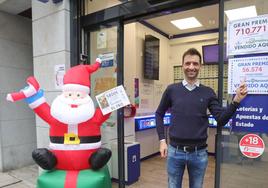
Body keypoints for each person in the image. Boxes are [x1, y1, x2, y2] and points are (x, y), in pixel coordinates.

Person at [155, 48, 248, 188]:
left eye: (195, 63)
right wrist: (162, 140)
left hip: (199, 154)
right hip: (175, 152)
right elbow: (159, 114)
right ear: (182, 65)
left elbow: (221, 119)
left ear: (200, 66)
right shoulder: (171, 90)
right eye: (187, 63)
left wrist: (236, 100)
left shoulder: (208, 92)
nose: (191, 67)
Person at [6, 58, 112, 171]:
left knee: (100, 155)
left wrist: (113, 99)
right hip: (60, 160)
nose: (74, 99)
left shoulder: (92, 116)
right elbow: (42, 109)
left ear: (86, 95)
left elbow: (103, 112)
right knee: (45, 156)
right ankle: (50, 161)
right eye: (69, 94)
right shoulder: (56, 115)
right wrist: (34, 97)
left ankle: (95, 160)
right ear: (63, 94)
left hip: (88, 159)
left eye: (79, 95)